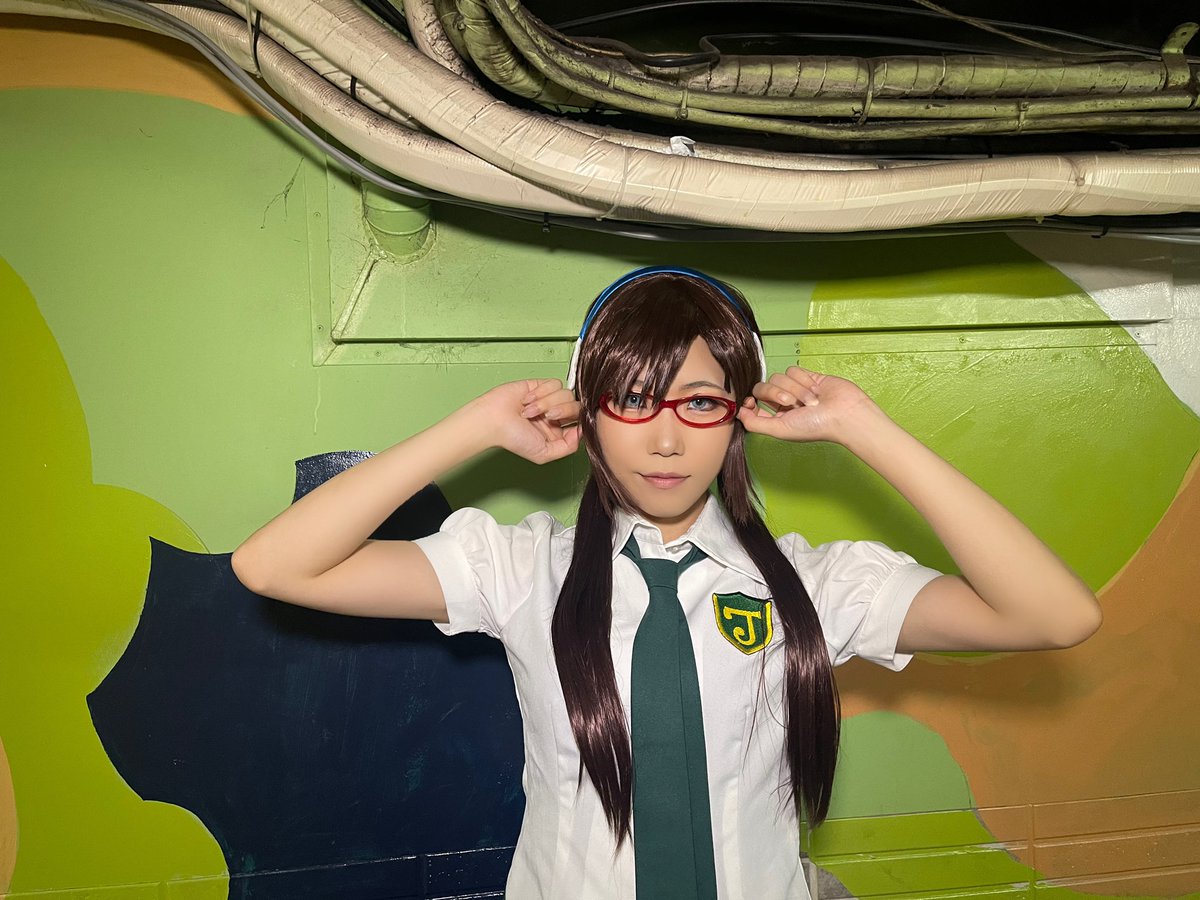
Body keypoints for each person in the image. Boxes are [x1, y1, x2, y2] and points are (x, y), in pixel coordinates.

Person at [232, 266, 1102, 900]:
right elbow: (273, 565)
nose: (665, 439)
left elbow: (1054, 615)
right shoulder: (520, 567)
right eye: (632, 398)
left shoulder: (811, 583)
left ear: (738, 415)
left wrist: (867, 429)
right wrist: (474, 426)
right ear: (589, 410)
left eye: (700, 402)